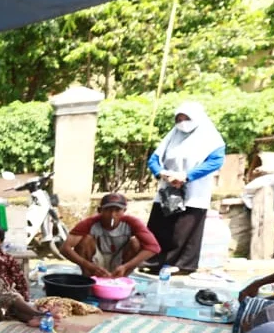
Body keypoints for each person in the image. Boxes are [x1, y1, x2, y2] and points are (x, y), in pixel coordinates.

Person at [146, 102, 226, 273]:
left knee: (185, 228)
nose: (182, 122)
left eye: (186, 118)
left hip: (194, 189)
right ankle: (153, 262)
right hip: (168, 188)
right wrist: (162, 173)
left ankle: (181, 265)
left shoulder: (210, 137)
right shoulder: (172, 136)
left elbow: (216, 161)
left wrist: (187, 176)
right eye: (178, 119)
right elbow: (154, 159)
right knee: (161, 225)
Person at [61, 193, 160, 278]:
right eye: (108, 210)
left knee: (135, 242)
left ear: (124, 211)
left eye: (117, 210)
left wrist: (126, 266)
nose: (112, 215)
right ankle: (88, 278)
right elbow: (65, 248)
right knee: (85, 239)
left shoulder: (132, 223)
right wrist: (87, 265)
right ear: (100, 210)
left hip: (120, 260)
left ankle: (121, 278)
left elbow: (154, 247)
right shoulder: (90, 223)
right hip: (95, 259)